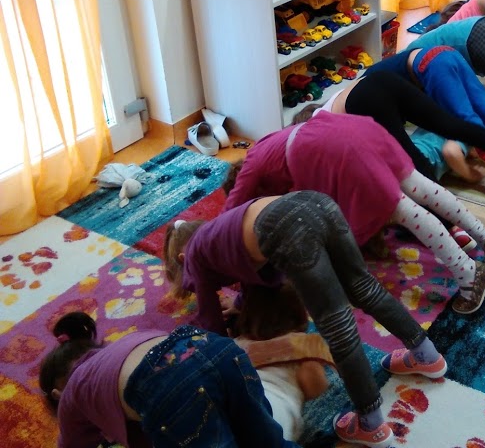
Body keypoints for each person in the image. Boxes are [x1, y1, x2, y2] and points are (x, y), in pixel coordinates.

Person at [164, 191, 453, 447]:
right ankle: (425, 354)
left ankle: (371, 424)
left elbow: (211, 326)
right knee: (364, 287)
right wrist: (241, 304)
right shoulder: (222, 233)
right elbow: (263, 278)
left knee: (337, 326)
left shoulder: (195, 256)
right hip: (317, 202)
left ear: (181, 258)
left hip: (284, 225)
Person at [222, 112, 485, 297]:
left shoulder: (252, 164)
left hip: (336, 148)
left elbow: (230, 217)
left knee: (403, 210)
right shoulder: (267, 146)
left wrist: (219, 251)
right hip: (353, 130)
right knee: (422, 188)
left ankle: (468, 275)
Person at [38, 311, 299, 448]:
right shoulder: (122, 348)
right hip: (214, 346)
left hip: (168, 383)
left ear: (58, 394)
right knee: (267, 440)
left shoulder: (72, 396)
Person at [306, 69, 485, 193]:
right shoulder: (328, 106)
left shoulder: (314, 128)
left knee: (410, 159)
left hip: (364, 98)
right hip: (380, 80)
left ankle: (447, 222)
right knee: (452, 125)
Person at [365, 46, 485, 188]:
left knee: (465, 120)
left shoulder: (365, 93)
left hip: (428, 66)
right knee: (484, 108)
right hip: (445, 53)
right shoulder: (372, 78)